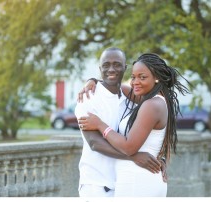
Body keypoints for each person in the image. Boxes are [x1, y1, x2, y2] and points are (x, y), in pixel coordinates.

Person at [78, 53, 190, 197]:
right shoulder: (151, 99)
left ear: (156, 78)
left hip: (137, 180)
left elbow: (129, 147)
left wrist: (100, 125)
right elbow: (114, 85)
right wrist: (92, 80)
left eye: (142, 77)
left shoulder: (151, 105)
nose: (135, 82)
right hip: (140, 179)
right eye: (133, 77)